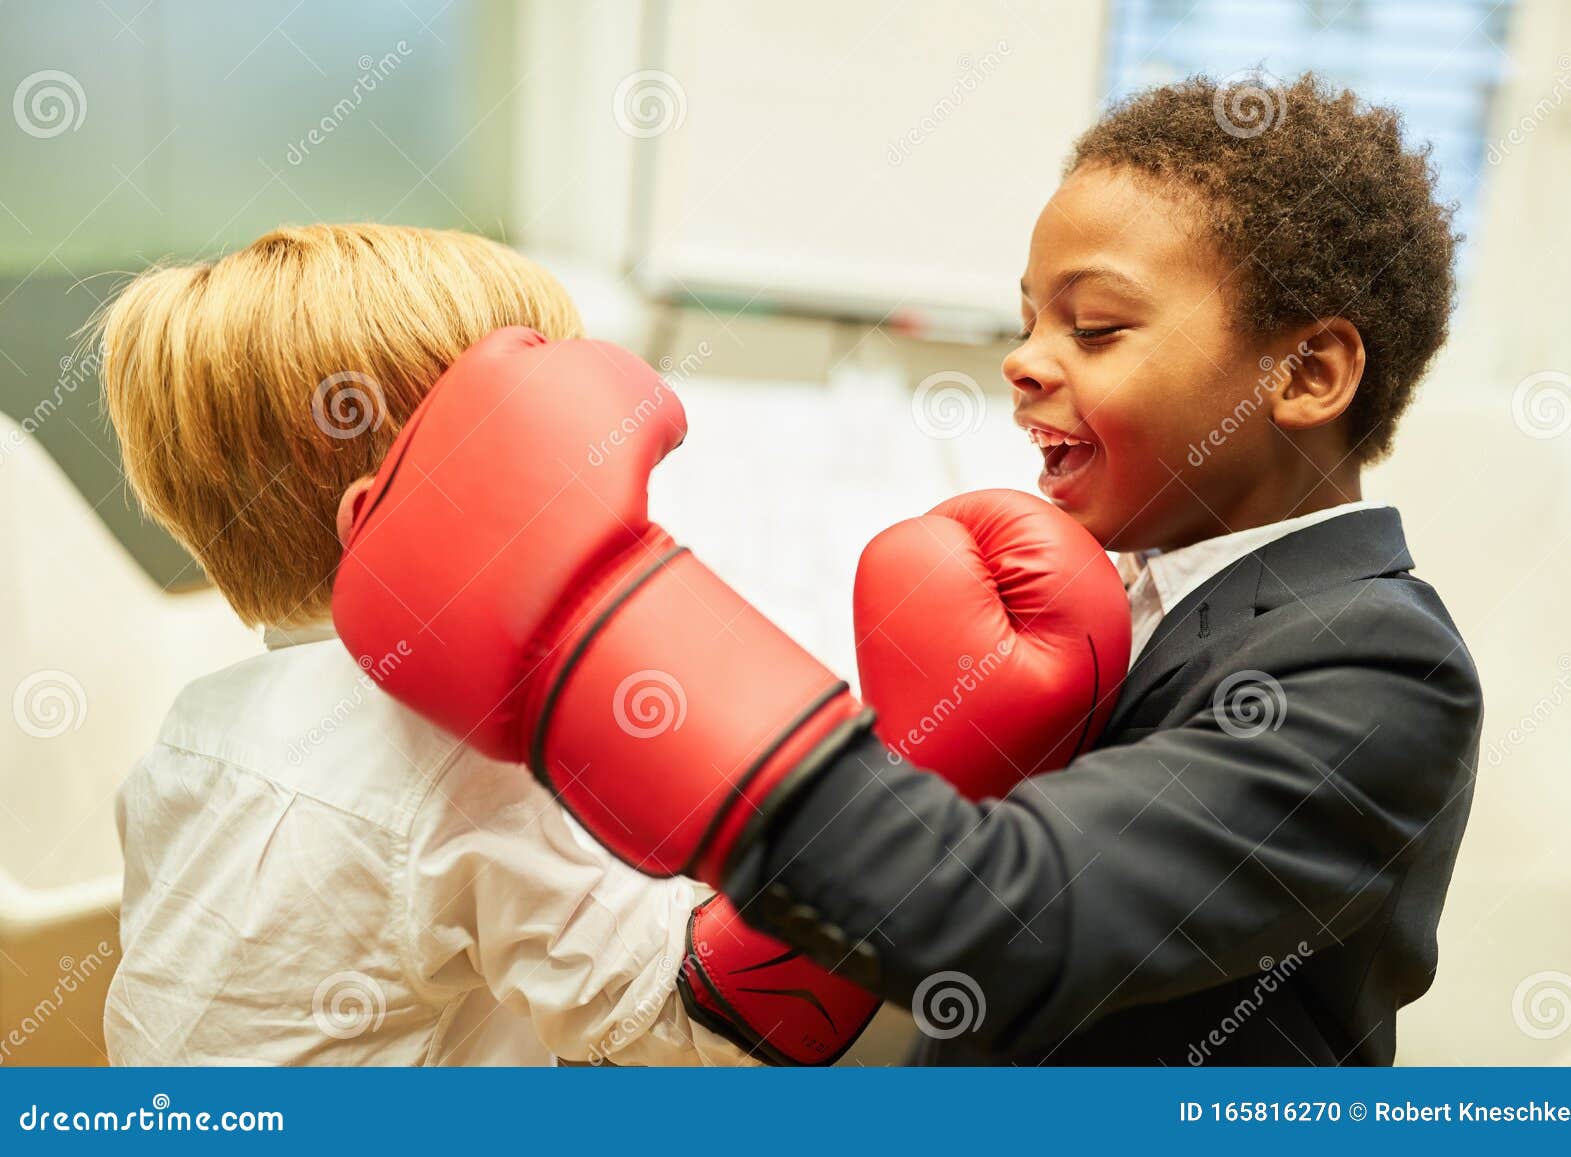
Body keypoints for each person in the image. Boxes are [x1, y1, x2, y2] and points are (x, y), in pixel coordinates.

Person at [333, 73, 1484, 1065]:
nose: (1024, 360)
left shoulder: (1377, 668)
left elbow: (1013, 915)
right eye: (1027, 320)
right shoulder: (1104, 594)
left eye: (1094, 329)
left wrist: (598, 635)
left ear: (1308, 372)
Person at [95, 224, 753, 1066]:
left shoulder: (194, 726)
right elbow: (698, 1029)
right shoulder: (453, 755)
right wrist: (876, 807)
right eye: (544, 447)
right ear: (398, 520)